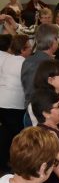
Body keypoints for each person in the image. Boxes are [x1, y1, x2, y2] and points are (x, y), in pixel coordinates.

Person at [0, 34, 26, 172]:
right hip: (14, 104)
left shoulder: (7, 59)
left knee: (5, 132)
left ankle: (3, 161)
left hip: (2, 101)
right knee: (15, 135)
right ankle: (11, 164)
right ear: (23, 50)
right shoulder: (24, 63)